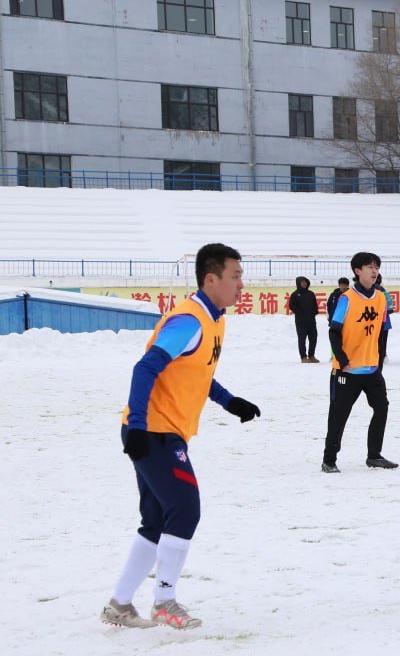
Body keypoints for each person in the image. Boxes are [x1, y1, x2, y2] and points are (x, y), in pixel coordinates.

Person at [102, 243, 261, 629]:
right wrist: (137, 426)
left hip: (164, 431)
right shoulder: (188, 320)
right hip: (153, 433)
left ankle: (120, 605)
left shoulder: (213, 319)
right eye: (235, 276)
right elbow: (146, 368)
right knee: (185, 508)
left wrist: (229, 401)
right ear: (211, 279)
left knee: (156, 520)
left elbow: (196, 371)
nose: (242, 284)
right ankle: (164, 601)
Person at [322, 252, 397, 473]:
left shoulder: (381, 298)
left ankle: (374, 455)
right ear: (357, 271)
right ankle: (329, 459)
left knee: (382, 407)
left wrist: (380, 361)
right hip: (347, 370)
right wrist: (342, 359)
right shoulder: (347, 298)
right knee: (339, 413)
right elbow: (334, 332)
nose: (374, 271)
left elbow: (383, 332)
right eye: (369, 267)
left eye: (376, 267)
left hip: (372, 369)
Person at [289, 275, 319, 363]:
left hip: (311, 321)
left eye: (305, 282)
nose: (304, 284)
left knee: (313, 338)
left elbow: (315, 305)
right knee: (302, 339)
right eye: (302, 283)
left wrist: (314, 312)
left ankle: (311, 355)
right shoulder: (295, 294)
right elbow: (292, 306)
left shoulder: (311, 294)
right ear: (298, 283)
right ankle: (303, 357)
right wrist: (300, 313)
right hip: (301, 321)